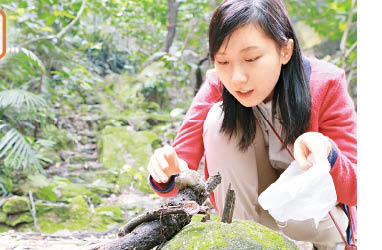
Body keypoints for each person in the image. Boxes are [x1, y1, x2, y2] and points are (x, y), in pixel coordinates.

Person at [146, 0, 357, 249]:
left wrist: (327, 152)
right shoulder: (218, 85)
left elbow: (356, 189)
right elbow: (179, 169)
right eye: (223, 62)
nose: (237, 78)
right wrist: (167, 171)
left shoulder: (325, 83)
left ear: (285, 51)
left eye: (251, 58)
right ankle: (245, 241)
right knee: (219, 118)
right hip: (253, 217)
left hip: (314, 221)